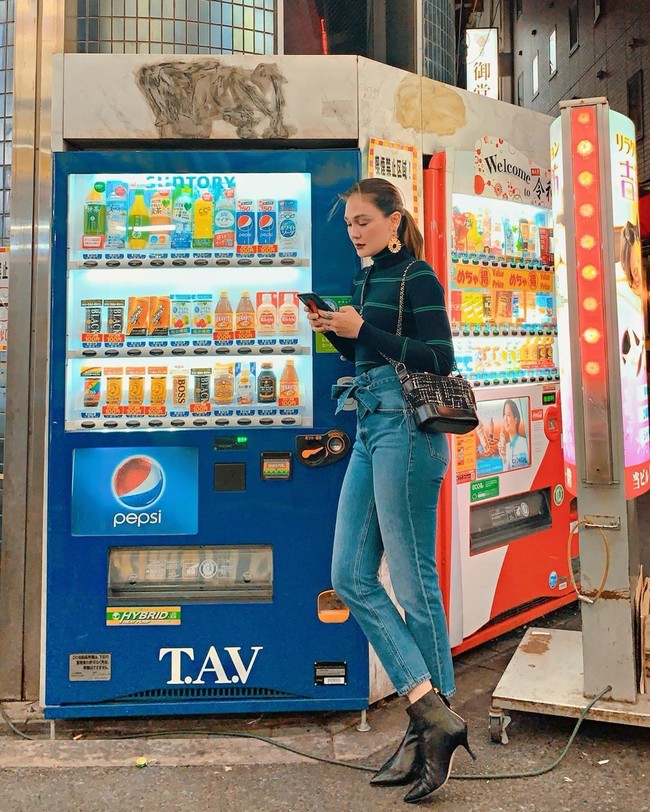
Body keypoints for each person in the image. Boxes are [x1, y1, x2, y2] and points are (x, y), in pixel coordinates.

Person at [305, 178, 475, 803]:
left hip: (408, 428)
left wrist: (363, 330)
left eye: (362, 222)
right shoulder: (363, 280)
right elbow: (364, 353)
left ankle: (429, 725)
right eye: (348, 223)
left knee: (412, 579)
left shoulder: (417, 278)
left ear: (394, 221)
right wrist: (335, 328)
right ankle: (431, 711)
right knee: (349, 574)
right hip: (370, 422)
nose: (353, 232)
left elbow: (440, 357)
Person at [498, 399, 529, 471]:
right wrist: (504, 459)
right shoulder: (507, 447)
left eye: (508, 415)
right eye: (504, 415)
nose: (505, 419)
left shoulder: (525, 443)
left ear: (516, 419)